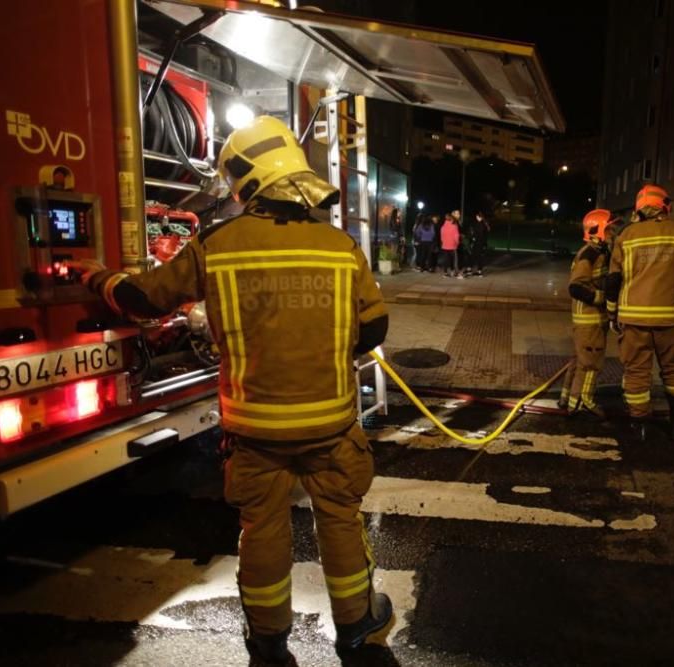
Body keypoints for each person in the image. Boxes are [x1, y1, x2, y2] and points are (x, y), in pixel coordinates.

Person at [70, 116, 392, 665]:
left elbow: (146, 300)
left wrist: (97, 276)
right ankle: (357, 627)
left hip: (255, 430)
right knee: (339, 518)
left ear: (246, 180)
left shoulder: (216, 244)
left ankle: (269, 644)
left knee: (261, 530)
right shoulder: (339, 245)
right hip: (332, 428)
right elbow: (375, 329)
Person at [605, 184, 674, 443]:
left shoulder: (627, 236)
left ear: (638, 208)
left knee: (637, 372)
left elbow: (613, 279)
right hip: (670, 318)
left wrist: (611, 312)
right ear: (665, 206)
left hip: (633, 318)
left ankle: (639, 426)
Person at [558, 209, 614, 417]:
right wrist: (601, 298)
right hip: (589, 320)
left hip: (590, 320)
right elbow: (576, 287)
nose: (612, 232)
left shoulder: (597, 253)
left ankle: (567, 398)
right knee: (592, 363)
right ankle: (583, 402)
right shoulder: (589, 254)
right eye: (609, 229)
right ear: (597, 231)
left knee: (580, 360)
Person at [467, 211, 490, 276]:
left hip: (477, 243)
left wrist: (473, 238)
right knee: (480, 257)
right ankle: (479, 271)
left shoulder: (479, 224)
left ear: (477, 217)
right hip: (482, 243)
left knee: (473, 256)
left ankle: (470, 269)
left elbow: (476, 234)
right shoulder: (485, 224)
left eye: (476, 216)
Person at [440, 213, 461, 277]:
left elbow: (442, 237)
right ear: (451, 218)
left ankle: (445, 272)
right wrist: (457, 243)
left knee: (446, 259)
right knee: (453, 259)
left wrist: (443, 242)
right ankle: (453, 271)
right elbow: (456, 236)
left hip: (445, 245)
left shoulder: (443, 227)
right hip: (452, 245)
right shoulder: (454, 226)